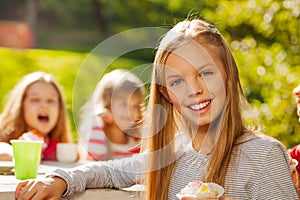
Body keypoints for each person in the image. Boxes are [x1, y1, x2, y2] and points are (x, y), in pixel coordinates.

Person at [15, 19, 297, 200]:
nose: (194, 89)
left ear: (227, 74)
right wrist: (60, 179)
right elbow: (109, 172)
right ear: (166, 93)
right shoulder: (171, 156)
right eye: (177, 81)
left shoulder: (263, 155)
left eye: (206, 73)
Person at [0, 71, 73, 161]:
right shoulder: (2, 136)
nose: (44, 105)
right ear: (20, 106)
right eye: (35, 100)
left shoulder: (59, 149)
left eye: (51, 101)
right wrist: (19, 152)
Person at [78, 69, 145, 161]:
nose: (130, 112)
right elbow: (94, 162)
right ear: (107, 104)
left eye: (135, 106)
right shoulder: (97, 133)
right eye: (124, 104)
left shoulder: (137, 139)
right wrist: (97, 121)